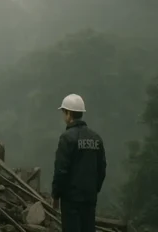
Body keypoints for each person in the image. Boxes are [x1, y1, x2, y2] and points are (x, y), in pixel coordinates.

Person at [52, 94, 107, 232]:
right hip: (90, 199)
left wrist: (56, 194)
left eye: (64, 112)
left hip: (71, 201)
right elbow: (102, 169)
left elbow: (61, 170)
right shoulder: (96, 138)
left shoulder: (67, 138)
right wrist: (94, 190)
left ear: (69, 114)